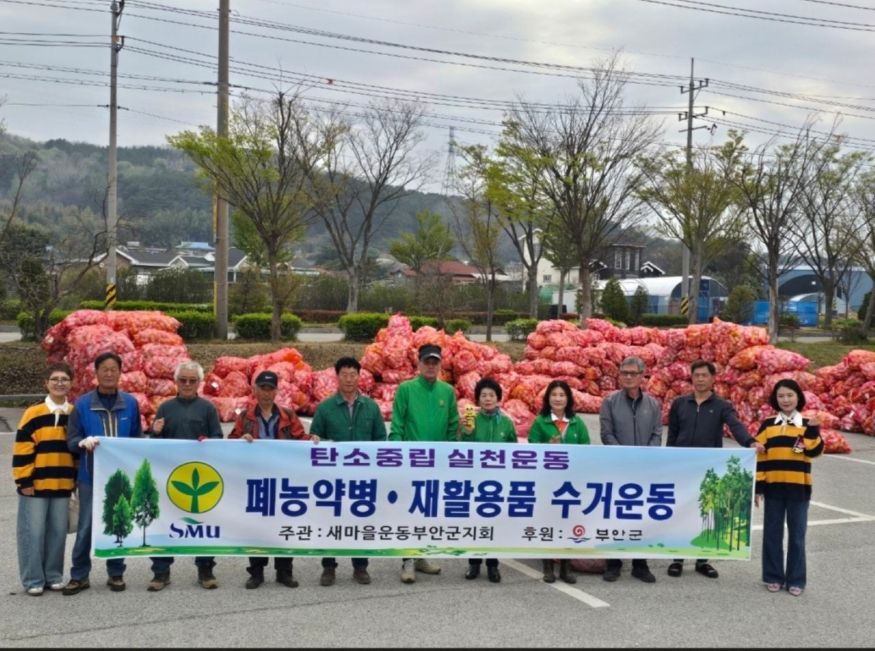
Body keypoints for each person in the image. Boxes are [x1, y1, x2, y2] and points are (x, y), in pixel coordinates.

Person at [666, 360, 765, 580]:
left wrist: (749, 442)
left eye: (704, 375)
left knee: (707, 512)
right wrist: (668, 460)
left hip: (709, 469)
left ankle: (703, 560)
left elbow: (735, 425)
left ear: (713, 379)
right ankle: (677, 559)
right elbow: (672, 435)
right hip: (682, 466)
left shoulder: (721, 406)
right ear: (691, 378)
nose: (700, 379)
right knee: (682, 511)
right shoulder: (680, 403)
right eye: (696, 375)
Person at [229, 370, 320, 590]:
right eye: (263, 389)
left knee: (283, 526)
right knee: (256, 527)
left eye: (271, 389)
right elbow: (230, 441)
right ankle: (257, 572)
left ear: (276, 391)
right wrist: (240, 440)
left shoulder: (288, 415)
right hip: (256, 480)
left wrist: (312, 439)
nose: (267, 394)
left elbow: (299, 437)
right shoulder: (245, 418)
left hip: (283, 479)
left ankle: (284, 571)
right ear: (255, 390)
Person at [64, 352, 143, 596]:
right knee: (86, 526)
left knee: (118, 522)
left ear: (120, 373)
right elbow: (71, 439)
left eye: (113, 369)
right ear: (95, 373)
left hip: (120, 478)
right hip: (90, 477)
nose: (109, 374)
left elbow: (137, 439)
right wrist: (82, 443)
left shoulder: (130, 403)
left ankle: (116, 573)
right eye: (104, 369)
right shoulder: (83, 404)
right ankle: (79, 575)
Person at [146, 361, 223, 592]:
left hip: (200, 476)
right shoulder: (165, 408)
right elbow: (154, 444)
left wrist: (209, 442)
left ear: (199, 383)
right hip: (170, 476)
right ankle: (161, 571)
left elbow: (218, 439)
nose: (187, 384)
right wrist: (155, 431)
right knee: (164, 522)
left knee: (203, 523)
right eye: (183, 380)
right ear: (176, 382)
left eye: (192, 380)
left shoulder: (208, 408)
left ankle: (205, 569)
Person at [310, 357, 387, 587]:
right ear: (337, 377)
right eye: (344, 374)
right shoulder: (325, 407)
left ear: (359, 376)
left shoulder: (371, 407)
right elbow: (315, 437)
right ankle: (328, 566)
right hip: (333, 477)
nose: (349, 379)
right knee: (330, 520)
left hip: (362, 477)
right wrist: (322, 441)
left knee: (360, 520)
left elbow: (380, 440)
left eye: (353, 374)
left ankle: (360, 566)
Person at [389, 343, 459, 584]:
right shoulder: (406, 389)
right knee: (410, 511)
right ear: (418, 364)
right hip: (412, 462)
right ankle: (407, 561)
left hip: (438, 463)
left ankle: (422, 556)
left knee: (429, 512)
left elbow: (452, 425)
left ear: (440, 365)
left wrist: (450, 457)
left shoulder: (447, 391)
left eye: (435, 362)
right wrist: (397, 455)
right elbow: (397, 424)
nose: (431, 366)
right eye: (427, 362)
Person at [754, 379, 823, 597]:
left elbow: (814, 452)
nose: (785, 400)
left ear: (798, 398)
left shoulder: (807, 423)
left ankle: (796, 579)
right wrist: (759, 486)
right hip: (773, 488)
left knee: (797, 535)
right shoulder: (768, 424)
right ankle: (773, 576)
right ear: (776, 399)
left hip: (798, 489)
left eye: (790, 395)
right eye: (781, 396)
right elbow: (760, 456)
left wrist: (813, 430)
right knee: (772, 534)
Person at [13, 362, 77, 596]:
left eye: (64, 379)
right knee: (33, 533)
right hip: (35, 486)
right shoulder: (34, 412)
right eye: (55, 379)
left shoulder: (73, 413)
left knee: (58, 533)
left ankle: (53, 575)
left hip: (62, 485)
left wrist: (76, 479)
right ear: (46, 384)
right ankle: (32, 579)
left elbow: (76, 451)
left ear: (71, 383)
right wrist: (24, 481)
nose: (59, 383)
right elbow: (22, 448)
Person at [599, 356, 663, 584]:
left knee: (642, 516)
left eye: (633, 373)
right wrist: (625, 456)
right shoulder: (610, 402)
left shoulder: (653, 404)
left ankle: (640, 564)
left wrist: (646, 455)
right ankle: (614, 563)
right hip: (618, 467)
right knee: (616, 516)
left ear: (642, 376)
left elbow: (657, 433)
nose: (628, 376)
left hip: (645, 469)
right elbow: (606, 433)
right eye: (624, 372)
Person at [527, 380, 589, 584]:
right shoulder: (540, 422)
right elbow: (531, 450)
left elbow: (586, 449)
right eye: (554, 395)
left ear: (568, 399)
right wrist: (547, 446)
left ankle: (565, 567)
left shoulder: (577, 423)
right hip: (548, 482)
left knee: (568, 523)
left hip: (571, 484)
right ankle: (547, 567)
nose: (558, 399)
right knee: (548, 523)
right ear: (548, 398)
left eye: (562, 395)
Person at [460, 377, 517, 584]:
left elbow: (514, 452)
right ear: (477, 399)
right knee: (474, 524)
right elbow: (463, 450)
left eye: (491, 395)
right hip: (475, 482)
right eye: (483, 395)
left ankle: (493, 565)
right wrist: (466, 433)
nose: (487, 399)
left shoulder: (507, 423)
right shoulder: (471, 420)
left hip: (498, 483)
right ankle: (473, 563)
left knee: (494, 525)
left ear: (498, 398)